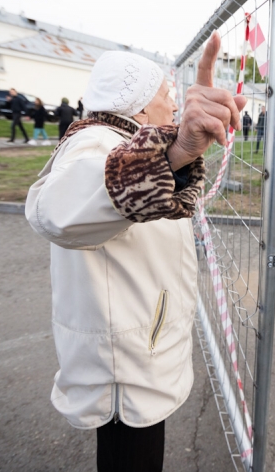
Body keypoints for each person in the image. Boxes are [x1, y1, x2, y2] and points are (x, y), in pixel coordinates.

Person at [25, 33, 245, 472]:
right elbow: (55, 210)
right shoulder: (96, 143)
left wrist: (174, 157)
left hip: (135, 349)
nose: (176, 108)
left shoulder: (116, 141)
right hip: (125, 366)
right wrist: (174, 152)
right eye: (167, 97)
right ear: (141, 108)